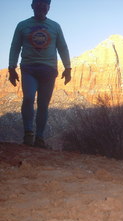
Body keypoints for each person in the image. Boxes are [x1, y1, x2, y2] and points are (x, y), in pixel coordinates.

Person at [8, 0, 71, 148]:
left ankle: (40, 137)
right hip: (29, 68)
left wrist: (68, 68)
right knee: (29, 97)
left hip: (49, 71)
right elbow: (15, 46)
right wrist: (12, 67)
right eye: (38, 4)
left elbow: (63, 47)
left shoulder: (55, 26)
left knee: (43, 104)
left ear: (49, 7)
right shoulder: (22, 25)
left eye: (45, 4)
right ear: (32, 6)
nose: (42, 7)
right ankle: (29, 133)